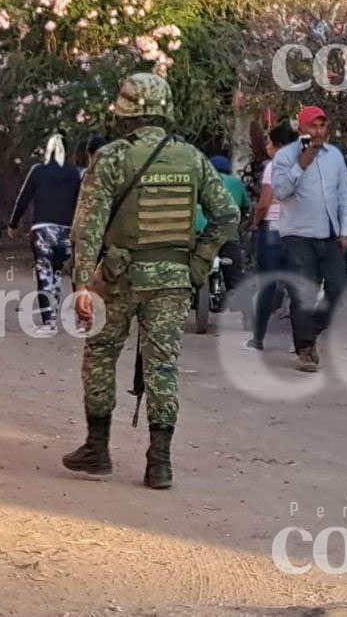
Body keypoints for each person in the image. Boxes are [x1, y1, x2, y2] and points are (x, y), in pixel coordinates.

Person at [64, 73, 238, 489]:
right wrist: (196, 265)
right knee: (163, 367)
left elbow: (87, 226)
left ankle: (97, 450)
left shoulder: (110, 157)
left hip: (118, 280)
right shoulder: (192, 159)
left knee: (101, 357)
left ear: (127, 116)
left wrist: (82, 284)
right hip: (174, 282)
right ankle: (159, 464)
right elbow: (228, 214)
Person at [271, 106, 347, 372]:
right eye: (312, 126)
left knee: (340, 291)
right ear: (301, 129)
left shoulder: (335, 157)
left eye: (321, 126)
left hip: (329, 235)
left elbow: (343, 195)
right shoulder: (285, 157)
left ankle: (312, 331)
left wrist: (346, 230)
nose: (317, 132)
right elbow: (281, 192)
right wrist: (301, 165)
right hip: (298, 235)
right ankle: (304, 349)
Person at [7, 134, 81, 333]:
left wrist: (13, 223)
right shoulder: (75, 174)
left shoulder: (38, 171)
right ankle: (55, 308)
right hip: (66, 231)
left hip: (42, 231)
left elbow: (23, 197)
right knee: (56, 271)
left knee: (44, 273)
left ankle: (49, 320)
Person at [245, 124, 299, 351]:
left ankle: (258, 338)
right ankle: (302, 343)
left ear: (279, 146)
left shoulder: (273, 167)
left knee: (267, 284)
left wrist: (255, 222)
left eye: (269, 143)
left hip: (273, 230)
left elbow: (264, 203)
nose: (266, 147)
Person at [208, 155, 250, 306]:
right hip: (229, 235)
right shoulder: (236, 183)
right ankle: (247, 315)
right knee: (236, 276)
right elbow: (246, 207)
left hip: (202, 234)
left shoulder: (204, 180)